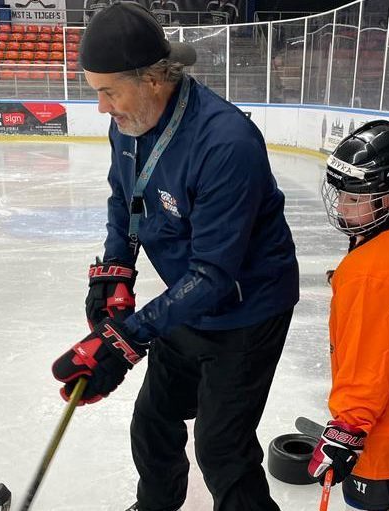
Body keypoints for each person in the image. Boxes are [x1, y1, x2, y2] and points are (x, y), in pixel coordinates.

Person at [50, 3, 300, 511]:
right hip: (190, 299)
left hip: (247, 310)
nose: (101, 107)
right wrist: (114, 271)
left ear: (152, 80)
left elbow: (214, 274)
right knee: (153, 420)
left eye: (108, 91)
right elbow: (125, 198)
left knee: (221, 447)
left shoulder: (226, 143)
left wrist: (125, 340)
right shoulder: (130, 121)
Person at [307, 121, 389, 510]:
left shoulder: (375, 271)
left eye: (357, 198)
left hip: (383, 438)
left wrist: (347, 429)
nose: (342, 206)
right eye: (341, 194)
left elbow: (370, 359)